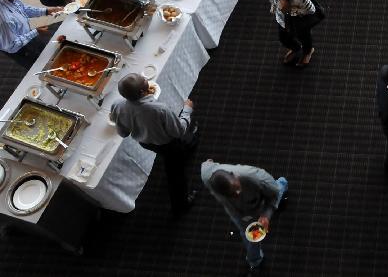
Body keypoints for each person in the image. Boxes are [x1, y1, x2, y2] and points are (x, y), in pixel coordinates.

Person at [109, 74, 199, 215]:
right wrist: (187, 110)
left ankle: (189, 145)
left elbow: (123, 133)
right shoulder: (160, 109)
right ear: (142, 92)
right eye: (144, 80)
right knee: (176, 174)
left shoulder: (117, 106)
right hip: (169, 145)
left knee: (179, 148)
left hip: (147, 143)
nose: (145, 79)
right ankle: (181, 205)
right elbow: (179, 131)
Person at [201, 160, 288, 272]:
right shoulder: (206, 175)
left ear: (233, 175)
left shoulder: (257, 177)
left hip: (261, 198)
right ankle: (255, 261)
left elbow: (273, 195)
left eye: (237, 188)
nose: (237, 193)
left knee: (278, 188)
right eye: (232, 194)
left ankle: (282, 183)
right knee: (250, 236)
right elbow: (206, 165)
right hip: (237, 213)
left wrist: (266, 215)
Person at [260, 0, 321, 67]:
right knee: (284, 39)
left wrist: (290, 10)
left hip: (298, 22)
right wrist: (274, 7)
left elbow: (311, 9)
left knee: (304, 37)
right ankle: (296, 48)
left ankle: (308, 51)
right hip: (283, 21)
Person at [0, 0, 62, 68]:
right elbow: (12, 46)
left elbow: (23, 9)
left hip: (26, 35)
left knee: (45, 53)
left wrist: (46, 11)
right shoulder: (5, 20)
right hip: (21, 49)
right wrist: (35, 32)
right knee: (40, 66)